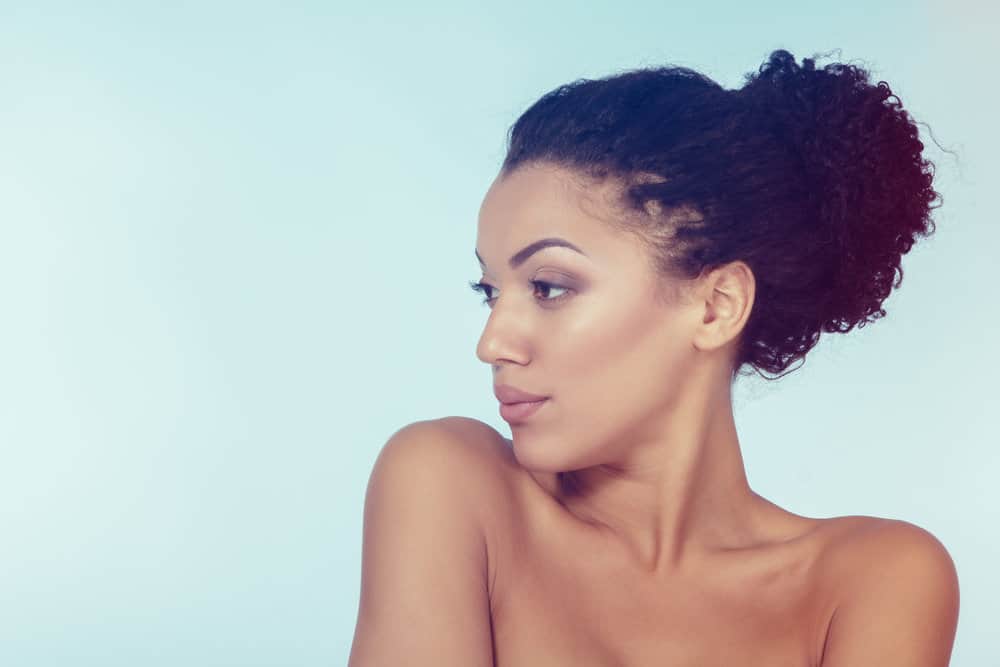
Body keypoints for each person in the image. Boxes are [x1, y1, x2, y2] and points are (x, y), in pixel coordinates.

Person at [348, 49, 960, 666]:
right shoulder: (454, 488)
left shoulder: (870, 582)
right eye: (490, 293)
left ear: (716, 306)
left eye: (549, 287)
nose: (493, 343)